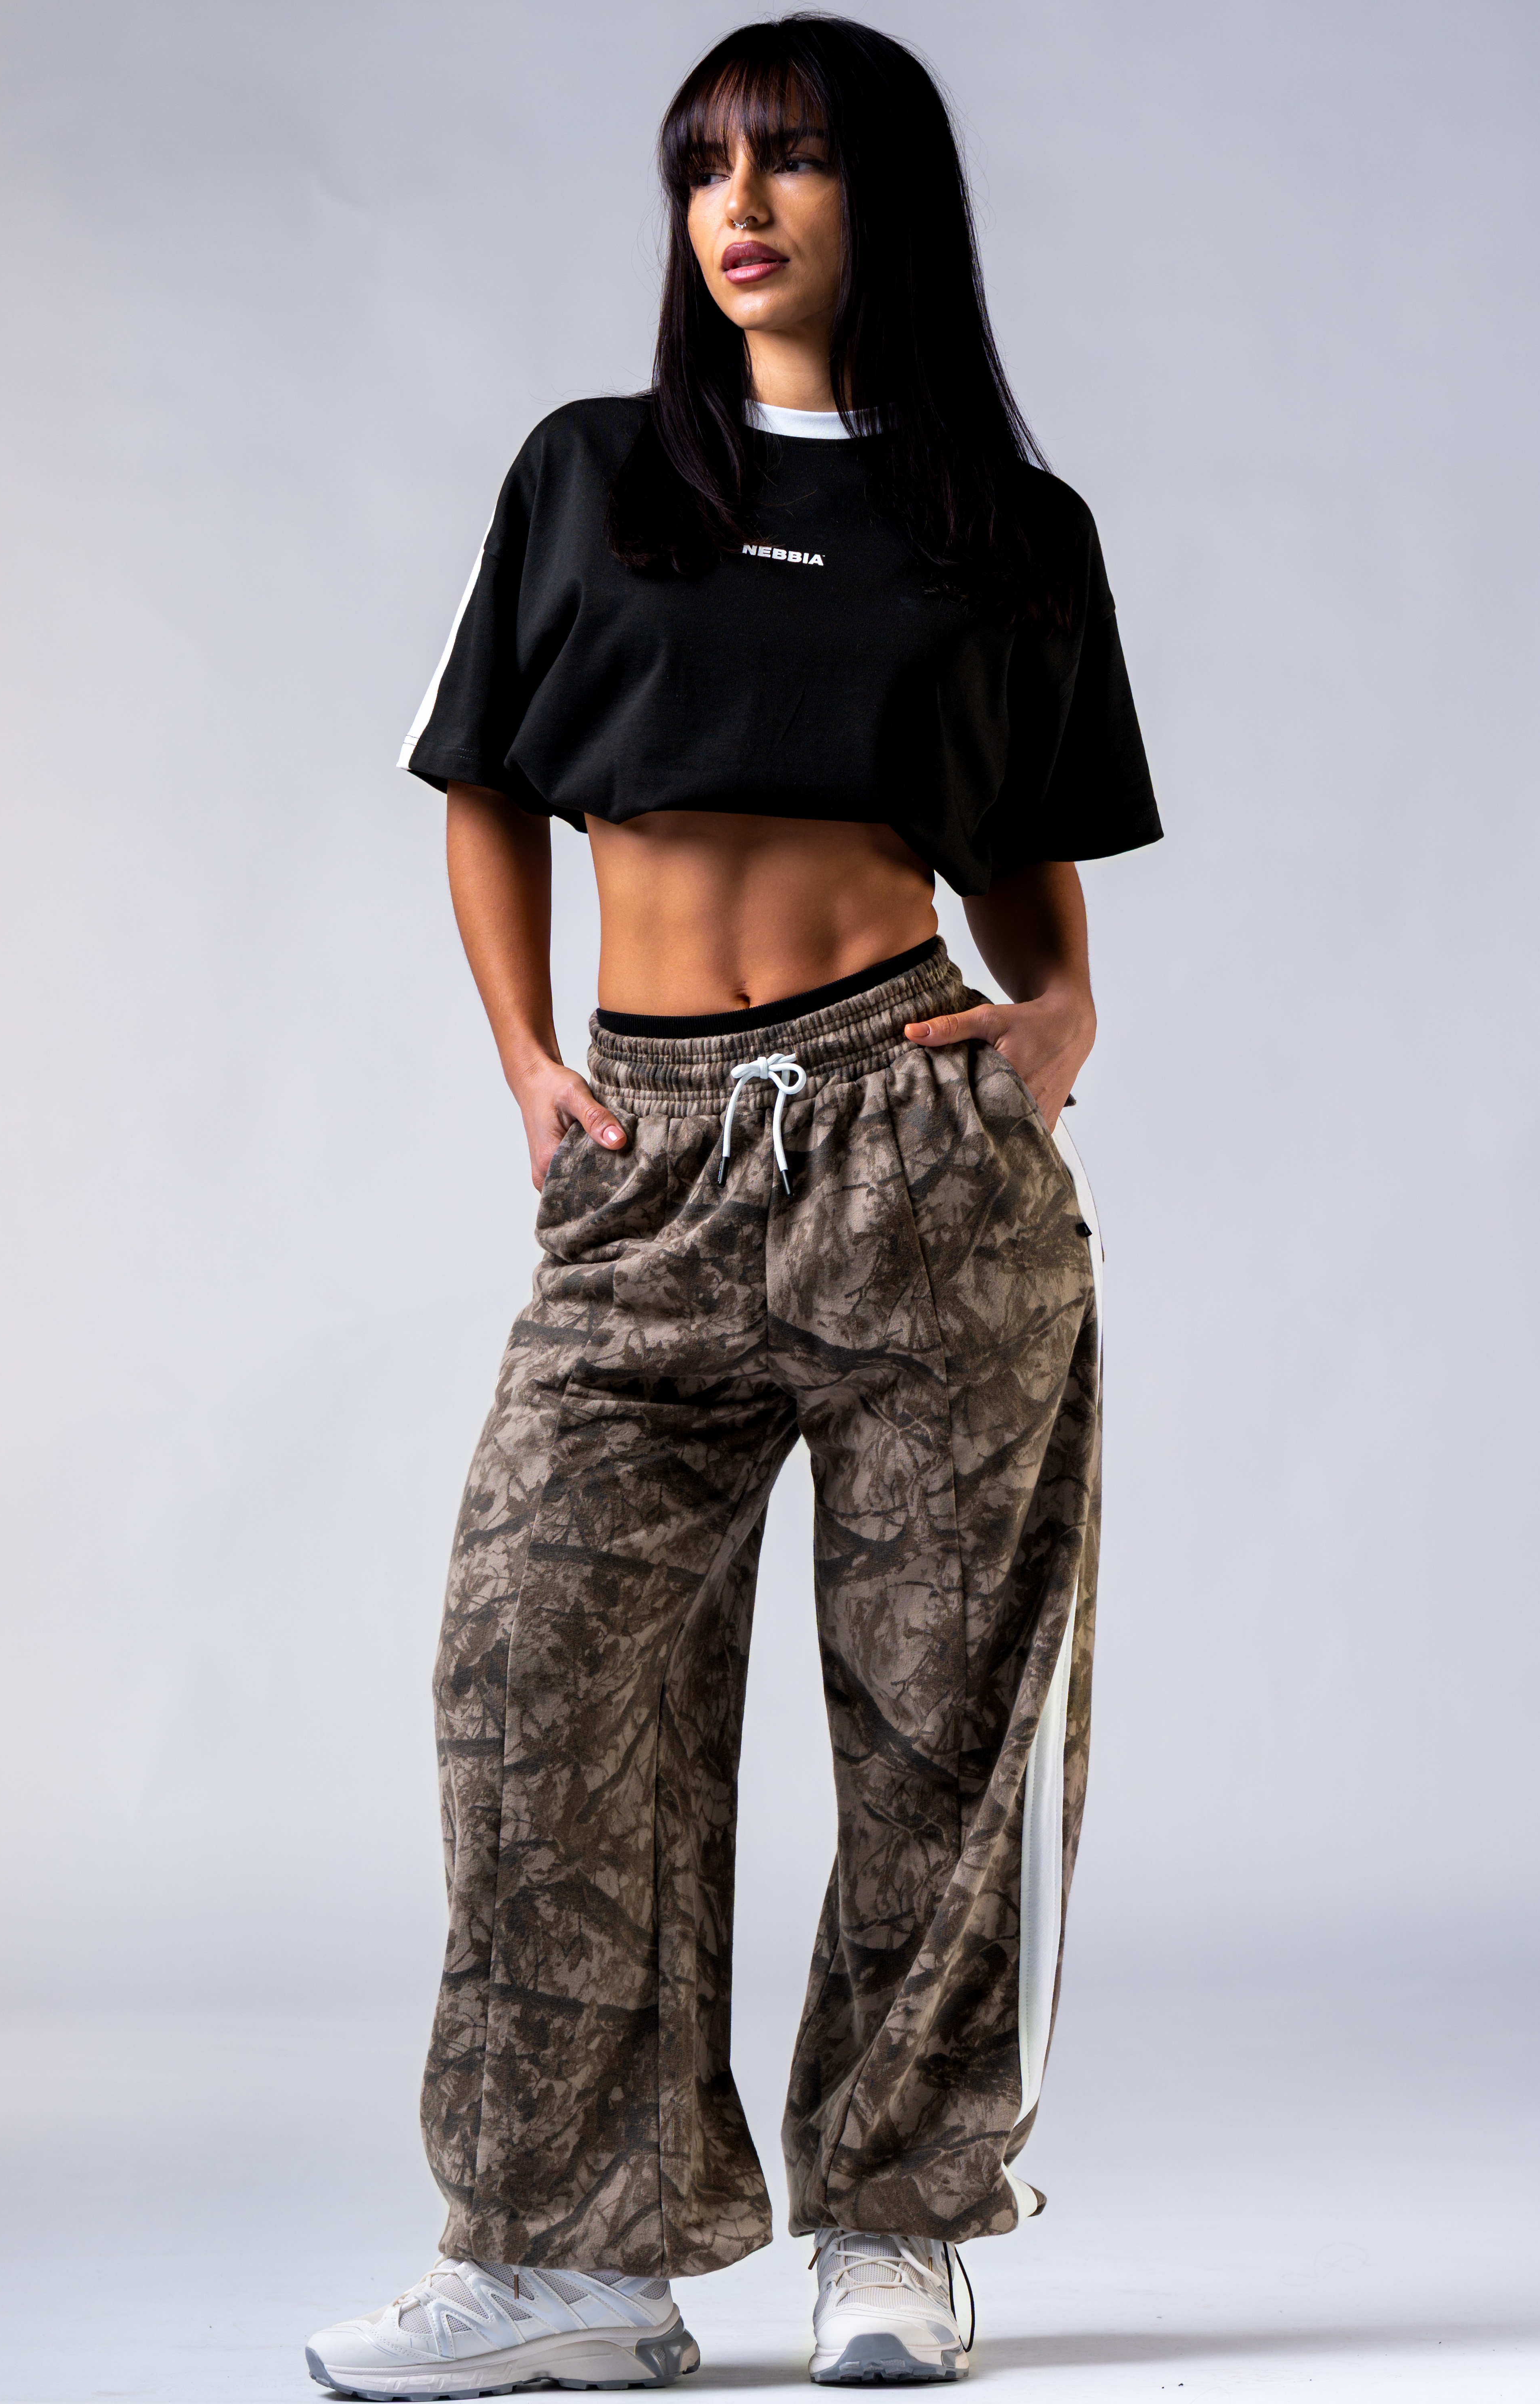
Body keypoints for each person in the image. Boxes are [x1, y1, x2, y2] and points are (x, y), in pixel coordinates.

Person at [305, 12, 1160, 2397]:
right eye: (704, 166)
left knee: (942, 1721)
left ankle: (897, 2226)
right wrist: (525, 1061)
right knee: (532, 1678)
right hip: (652, 1166)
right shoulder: (593, 475)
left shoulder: (1011, 528)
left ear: (891, 197)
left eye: (790, 161)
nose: (740, 207)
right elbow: (483, 779)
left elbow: (1029, 845)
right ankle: (571, 2268)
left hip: (917, 1156)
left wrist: (1060, 1017)